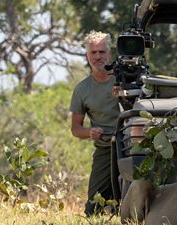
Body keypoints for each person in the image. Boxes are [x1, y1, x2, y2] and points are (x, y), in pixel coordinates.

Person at [69, 31, 120, 216]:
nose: (98, 56)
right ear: (87, 56)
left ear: (109, 54)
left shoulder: (124, 79)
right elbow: (75, 129)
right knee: (92, 209)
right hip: (105, 149)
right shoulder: (82, 89)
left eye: (102, 52)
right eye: (93, 52)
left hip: (132, 146)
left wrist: (124, 95)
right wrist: (90, 132)